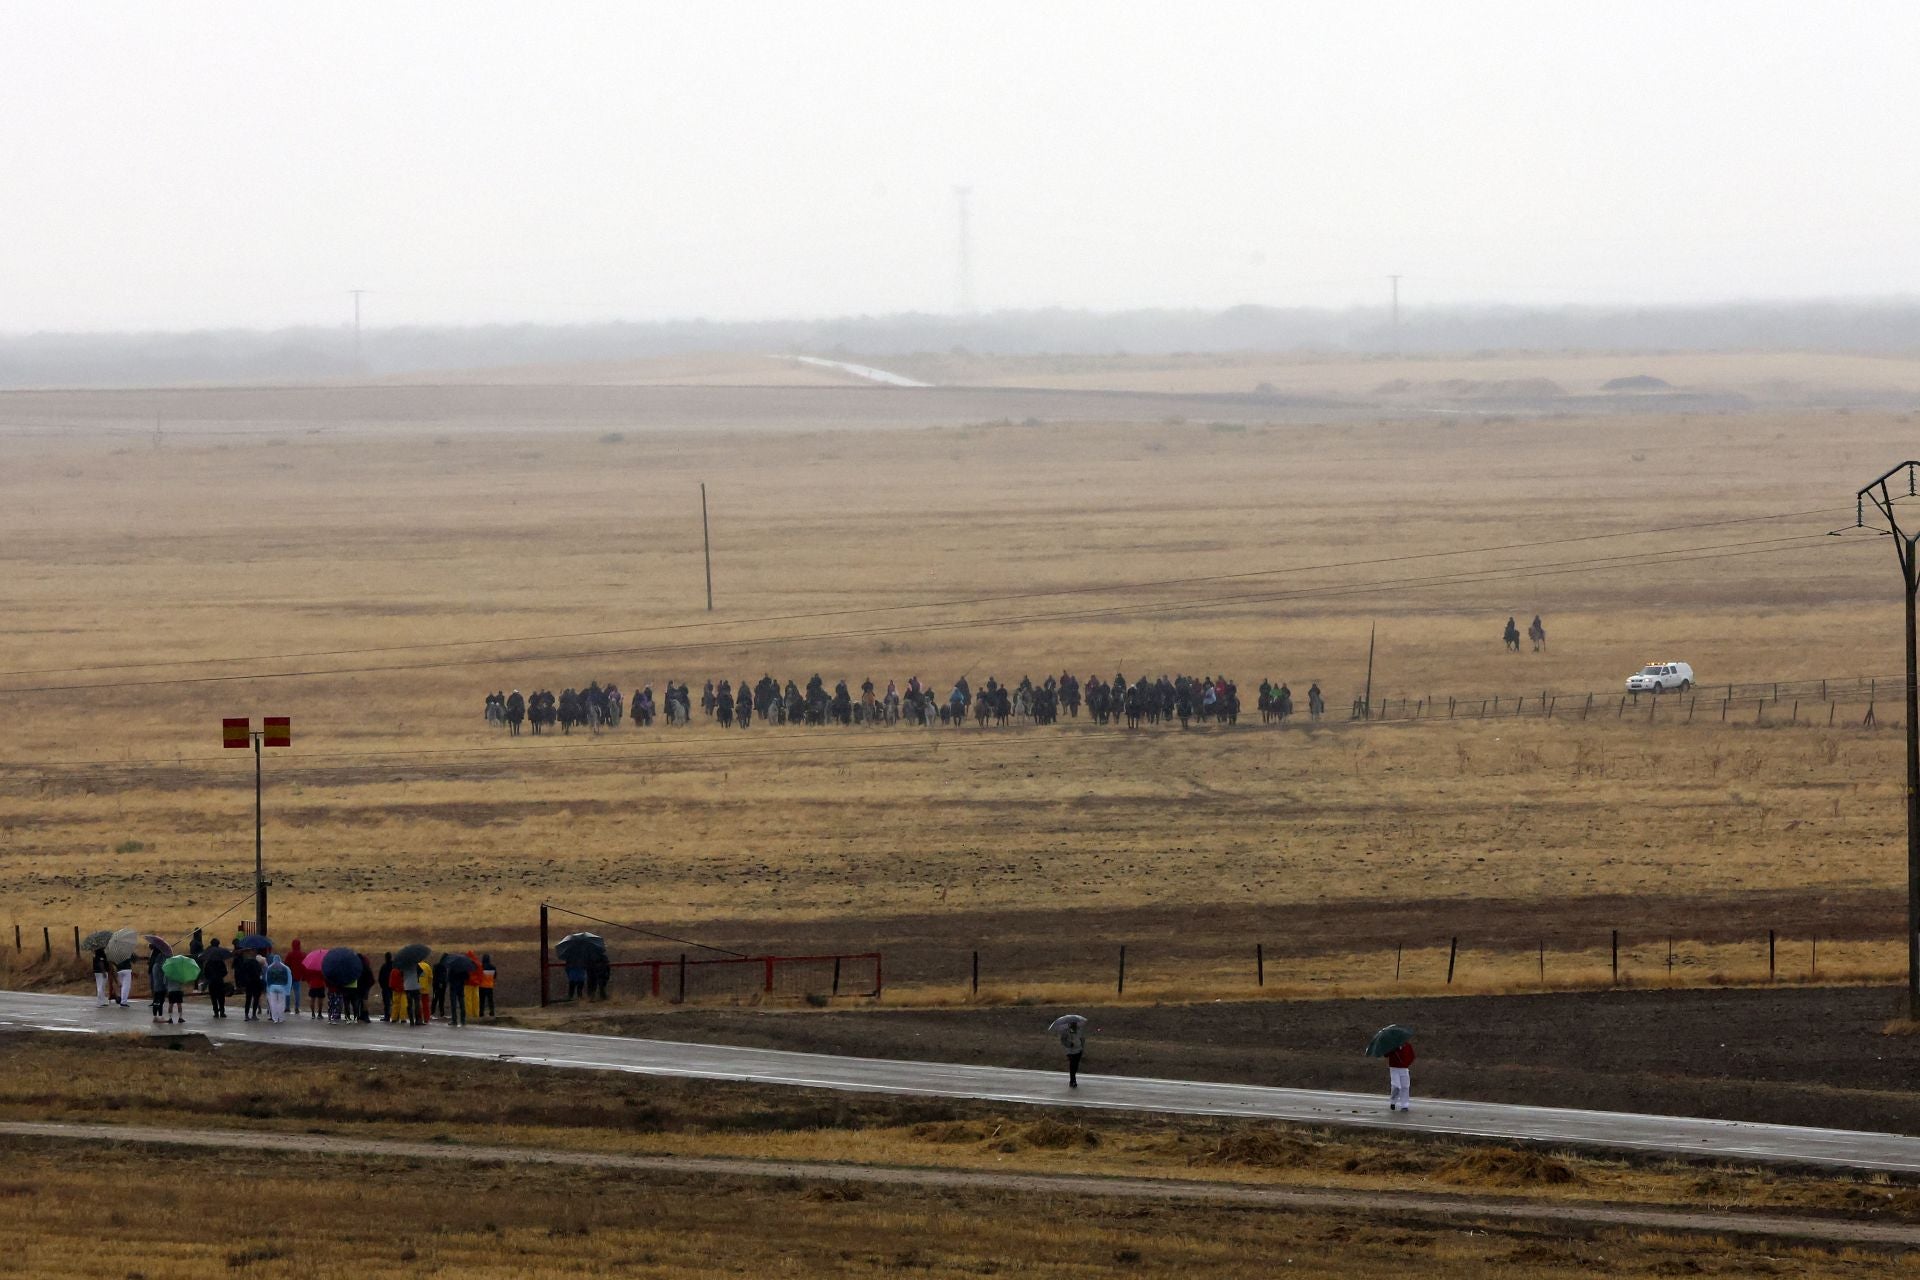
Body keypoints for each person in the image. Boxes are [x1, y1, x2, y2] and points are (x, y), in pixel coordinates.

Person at [1048, 1013, 1088, 1088]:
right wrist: (1069, 1044)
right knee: (1072, 1065)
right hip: (1070, 1051)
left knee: (1076, 1065)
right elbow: (1063, 1041)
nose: (1074, 1025)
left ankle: (1073, 1079)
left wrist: (1082, 1046)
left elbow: (1082, 1038)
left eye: (1074, 1024)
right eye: (1072, 1024)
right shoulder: (1065, 1032)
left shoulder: (1079, 1030)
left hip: (1079, 1049)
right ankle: (1073, 1080)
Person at [1387, 1038, 1416, 1112]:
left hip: (1404, 1068)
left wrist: (1406, 1064)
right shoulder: (1392, 1046)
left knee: (1405, 1086)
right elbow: (1386, 1054)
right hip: (1394, 1068)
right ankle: (1393, 1101)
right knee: (1396, 1086)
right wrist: (1392, 1049)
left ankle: (1404, 1105)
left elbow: (1412, 1056)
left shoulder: (1408, 1046)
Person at [236, 950, 265, 1021]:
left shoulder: (245, 963)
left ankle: (246, 1015)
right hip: (256, 983)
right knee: (255, 999)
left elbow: (242, 973)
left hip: (248, 984)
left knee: (248, 999)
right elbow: (260, 973)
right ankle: (254, 1015)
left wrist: (242, 983)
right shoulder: (257, 964)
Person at [264, 954, 293, 1023]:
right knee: (281, 1003)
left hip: (272, 987)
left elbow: (267, 979)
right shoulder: (285, 968)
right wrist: (288, 989)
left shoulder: (270, 968)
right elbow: (289, 978)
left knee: (273, 1003)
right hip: (282, 987)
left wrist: (268, 988)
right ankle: (281, 1017)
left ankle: (275, 1018)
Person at [202, 949, 229, 1019]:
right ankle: (222, 1012)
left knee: (213, 998)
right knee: (221, 997)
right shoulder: (221, 962)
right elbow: (225, 972)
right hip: (220, 981)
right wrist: (220, 975)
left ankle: (216, 1012)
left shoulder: (208, 963)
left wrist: (209, 978)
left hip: (212, 982)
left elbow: (205, 973)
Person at [284, 939, 307, 1017]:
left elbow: (286, 964)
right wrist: (303, 975)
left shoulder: (290, 954)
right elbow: (304, 966)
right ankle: (297, 1007)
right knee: (297, 992)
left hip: (290, 975)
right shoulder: (302, 955)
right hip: (298, 976)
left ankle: (287, 1007)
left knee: (288, 992)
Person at [147, 949, 168, 1022]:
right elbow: (164, 976)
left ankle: (155, 1016)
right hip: (161, 987)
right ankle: (160, 1016)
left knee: (156, 1001)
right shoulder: (162, 967)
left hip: (156, 987)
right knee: (161, 1002)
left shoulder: (154, 966)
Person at [446, 962, 468, 1027]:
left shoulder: (452, 968)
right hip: (461, 987)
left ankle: (454, 1020)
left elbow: (449, 977)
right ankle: (463, 1020)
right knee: (462, 1003)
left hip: (453, 987)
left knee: (453, 1004)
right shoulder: (463, 968)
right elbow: (467, 977)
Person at [402, 958, 423, 1026]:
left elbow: (401, 974)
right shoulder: (415, 964)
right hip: (415, 986)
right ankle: (417, 1020)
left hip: (408, 987)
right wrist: (417, 977)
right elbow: (421, 971)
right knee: (417, 1003)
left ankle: (411, 1020)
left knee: (409, 1004)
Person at [377, 953, 396, 1022]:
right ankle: (395, 1016)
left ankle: (387, 1016)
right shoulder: (394, 966)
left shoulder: (384, 966)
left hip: (385, 987)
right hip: (393, 987)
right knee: (395, 1002)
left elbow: (380, 978)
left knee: (386, 1003)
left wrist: (382, 986)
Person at [478, 954, 497, 1019]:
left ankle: (481, 1013)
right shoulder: (493, 967)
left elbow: (478, 976)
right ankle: (492, 1012)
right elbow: (494, 976)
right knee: (490, 1000)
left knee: (481, 1000)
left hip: (482, 986)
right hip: (489, 986)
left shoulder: (480, 967)